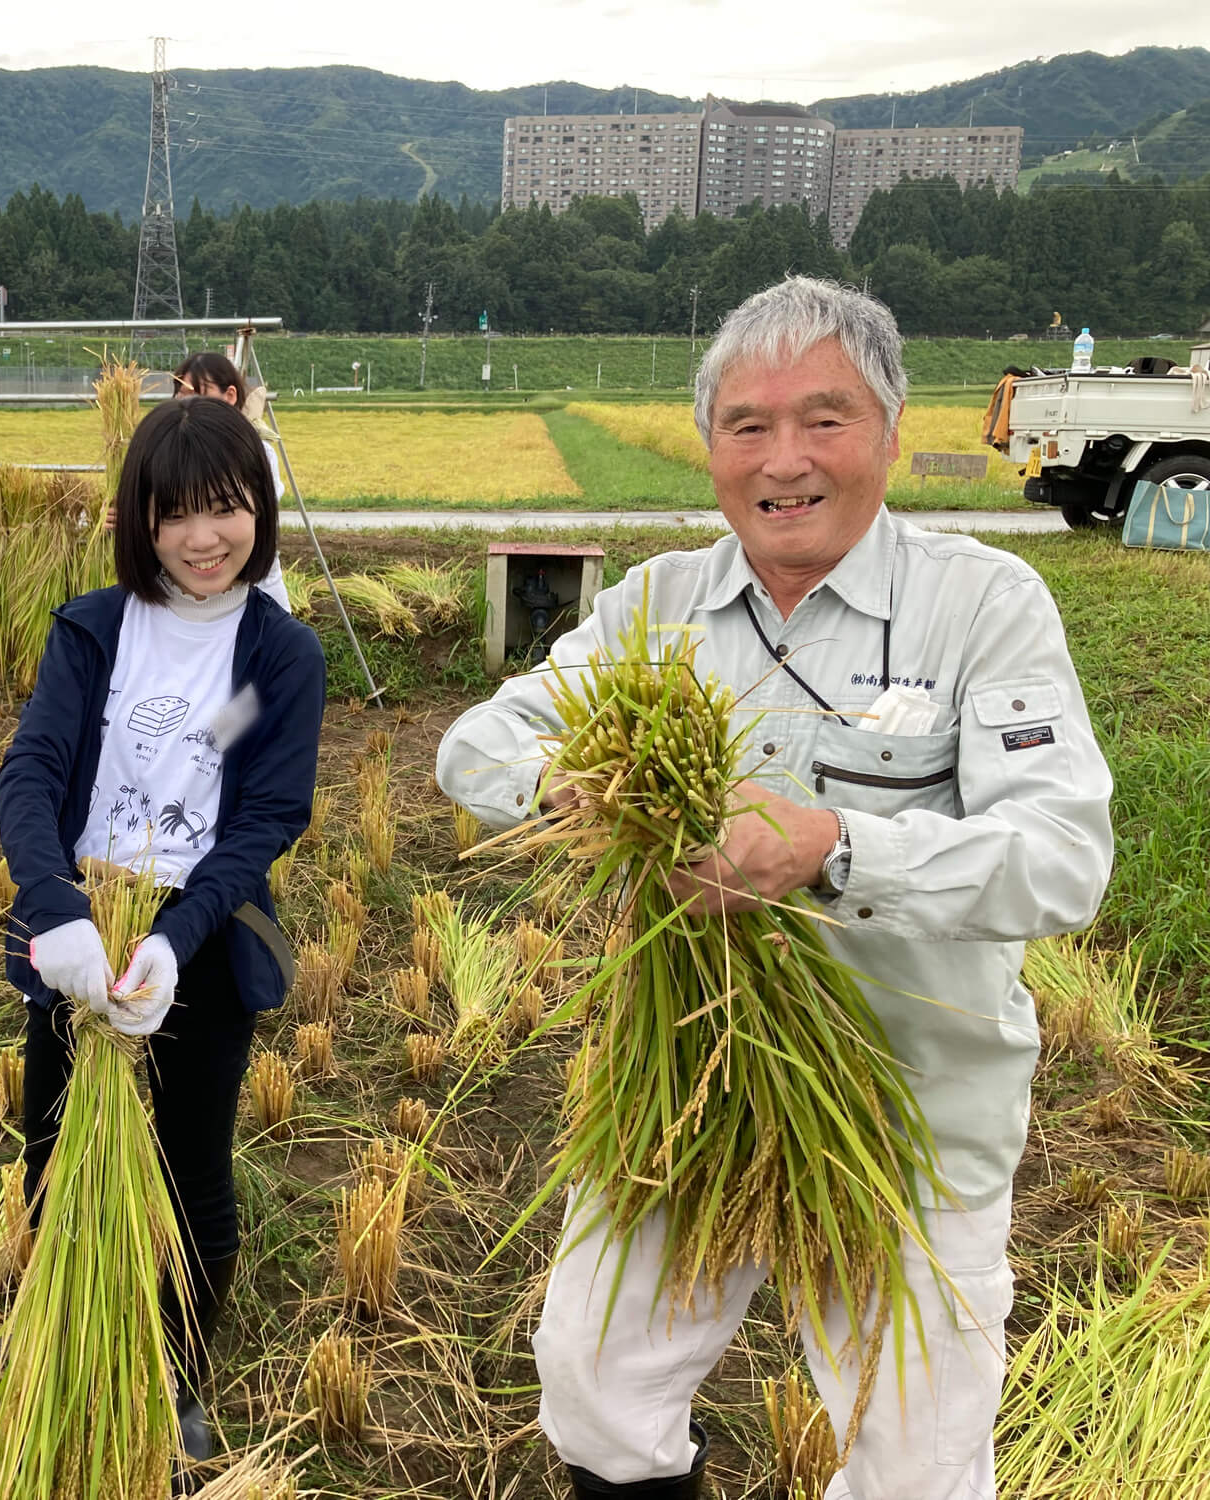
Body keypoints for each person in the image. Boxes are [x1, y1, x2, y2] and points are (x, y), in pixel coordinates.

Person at [436, 276, 1113, 1500]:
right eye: (745, 425)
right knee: (591, 1389)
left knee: (912, 1468)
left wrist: (831, 846)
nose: (782, 458)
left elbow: (1061, 854)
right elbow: (474, 749)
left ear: (891, 432)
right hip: (680, 1093)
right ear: (708, 450)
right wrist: (574, 791)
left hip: (909, 1119)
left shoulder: (982, 605)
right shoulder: (657, 608)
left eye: (824, 417)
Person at [0, 395, 325, 1462]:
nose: (201, 538)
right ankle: (57, 1339)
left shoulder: (277, 657)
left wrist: (173, 939)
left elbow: (263, 808)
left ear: (257, 511)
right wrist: (60, 913)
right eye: (174, 513)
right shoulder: (92, 629)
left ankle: (179, 1377)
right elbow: (32, 771)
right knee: (54, 1153)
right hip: (82, 937)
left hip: (203, 946)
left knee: (192, 1171)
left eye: (225, 509)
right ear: (138, 520)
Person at [170, 351, 292, 610]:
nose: (191, 403)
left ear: (230, 396)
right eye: (183, 394)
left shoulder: (256, 453)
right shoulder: (168, 452)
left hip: (256, 589)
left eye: (201, 393)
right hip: (192, 600)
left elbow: (260, 525)